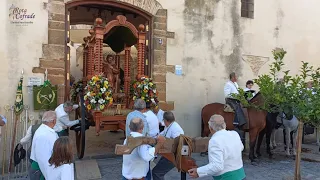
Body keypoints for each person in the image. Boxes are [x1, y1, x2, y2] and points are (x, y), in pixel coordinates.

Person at [188, 114, 246, 179]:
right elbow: (241, 148)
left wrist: (198, 171)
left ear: (210, 128)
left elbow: (217, 166)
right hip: (241, 176)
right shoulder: (234, 134)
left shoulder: (214, 140)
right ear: (224, 125)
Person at [152, 111, 184, 180]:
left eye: (163, 120)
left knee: (157, 172)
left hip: (174, 155)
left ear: (166, 120)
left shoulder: (176, 129)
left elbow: (178, 144)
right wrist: (153, 138)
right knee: (157, 172)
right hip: (169, 154)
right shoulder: (170, 125)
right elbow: (162, 134)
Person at [29, 111, 59, 180]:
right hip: (41, 171)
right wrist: (49, 176)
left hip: (43, 169)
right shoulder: (45, 135)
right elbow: (43, 159)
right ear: (54, 121)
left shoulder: (43, 130)